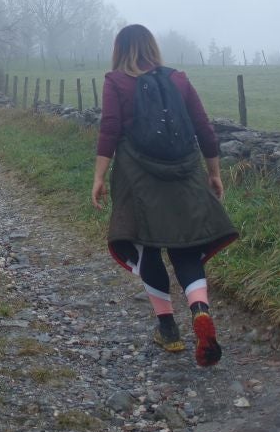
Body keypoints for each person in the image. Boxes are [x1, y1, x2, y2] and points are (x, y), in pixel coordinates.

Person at [91, 24, 238, 366]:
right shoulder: (179, 79)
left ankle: (168, 330)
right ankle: (200, 311)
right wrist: (213, 173)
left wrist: (99, 176)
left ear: (119, 49)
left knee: (147, 247)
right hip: (185, 173)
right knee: (185, 247)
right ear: (152, 47)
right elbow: (204, 128)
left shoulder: (116, 82)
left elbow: (109, 129)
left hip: (137, 177)